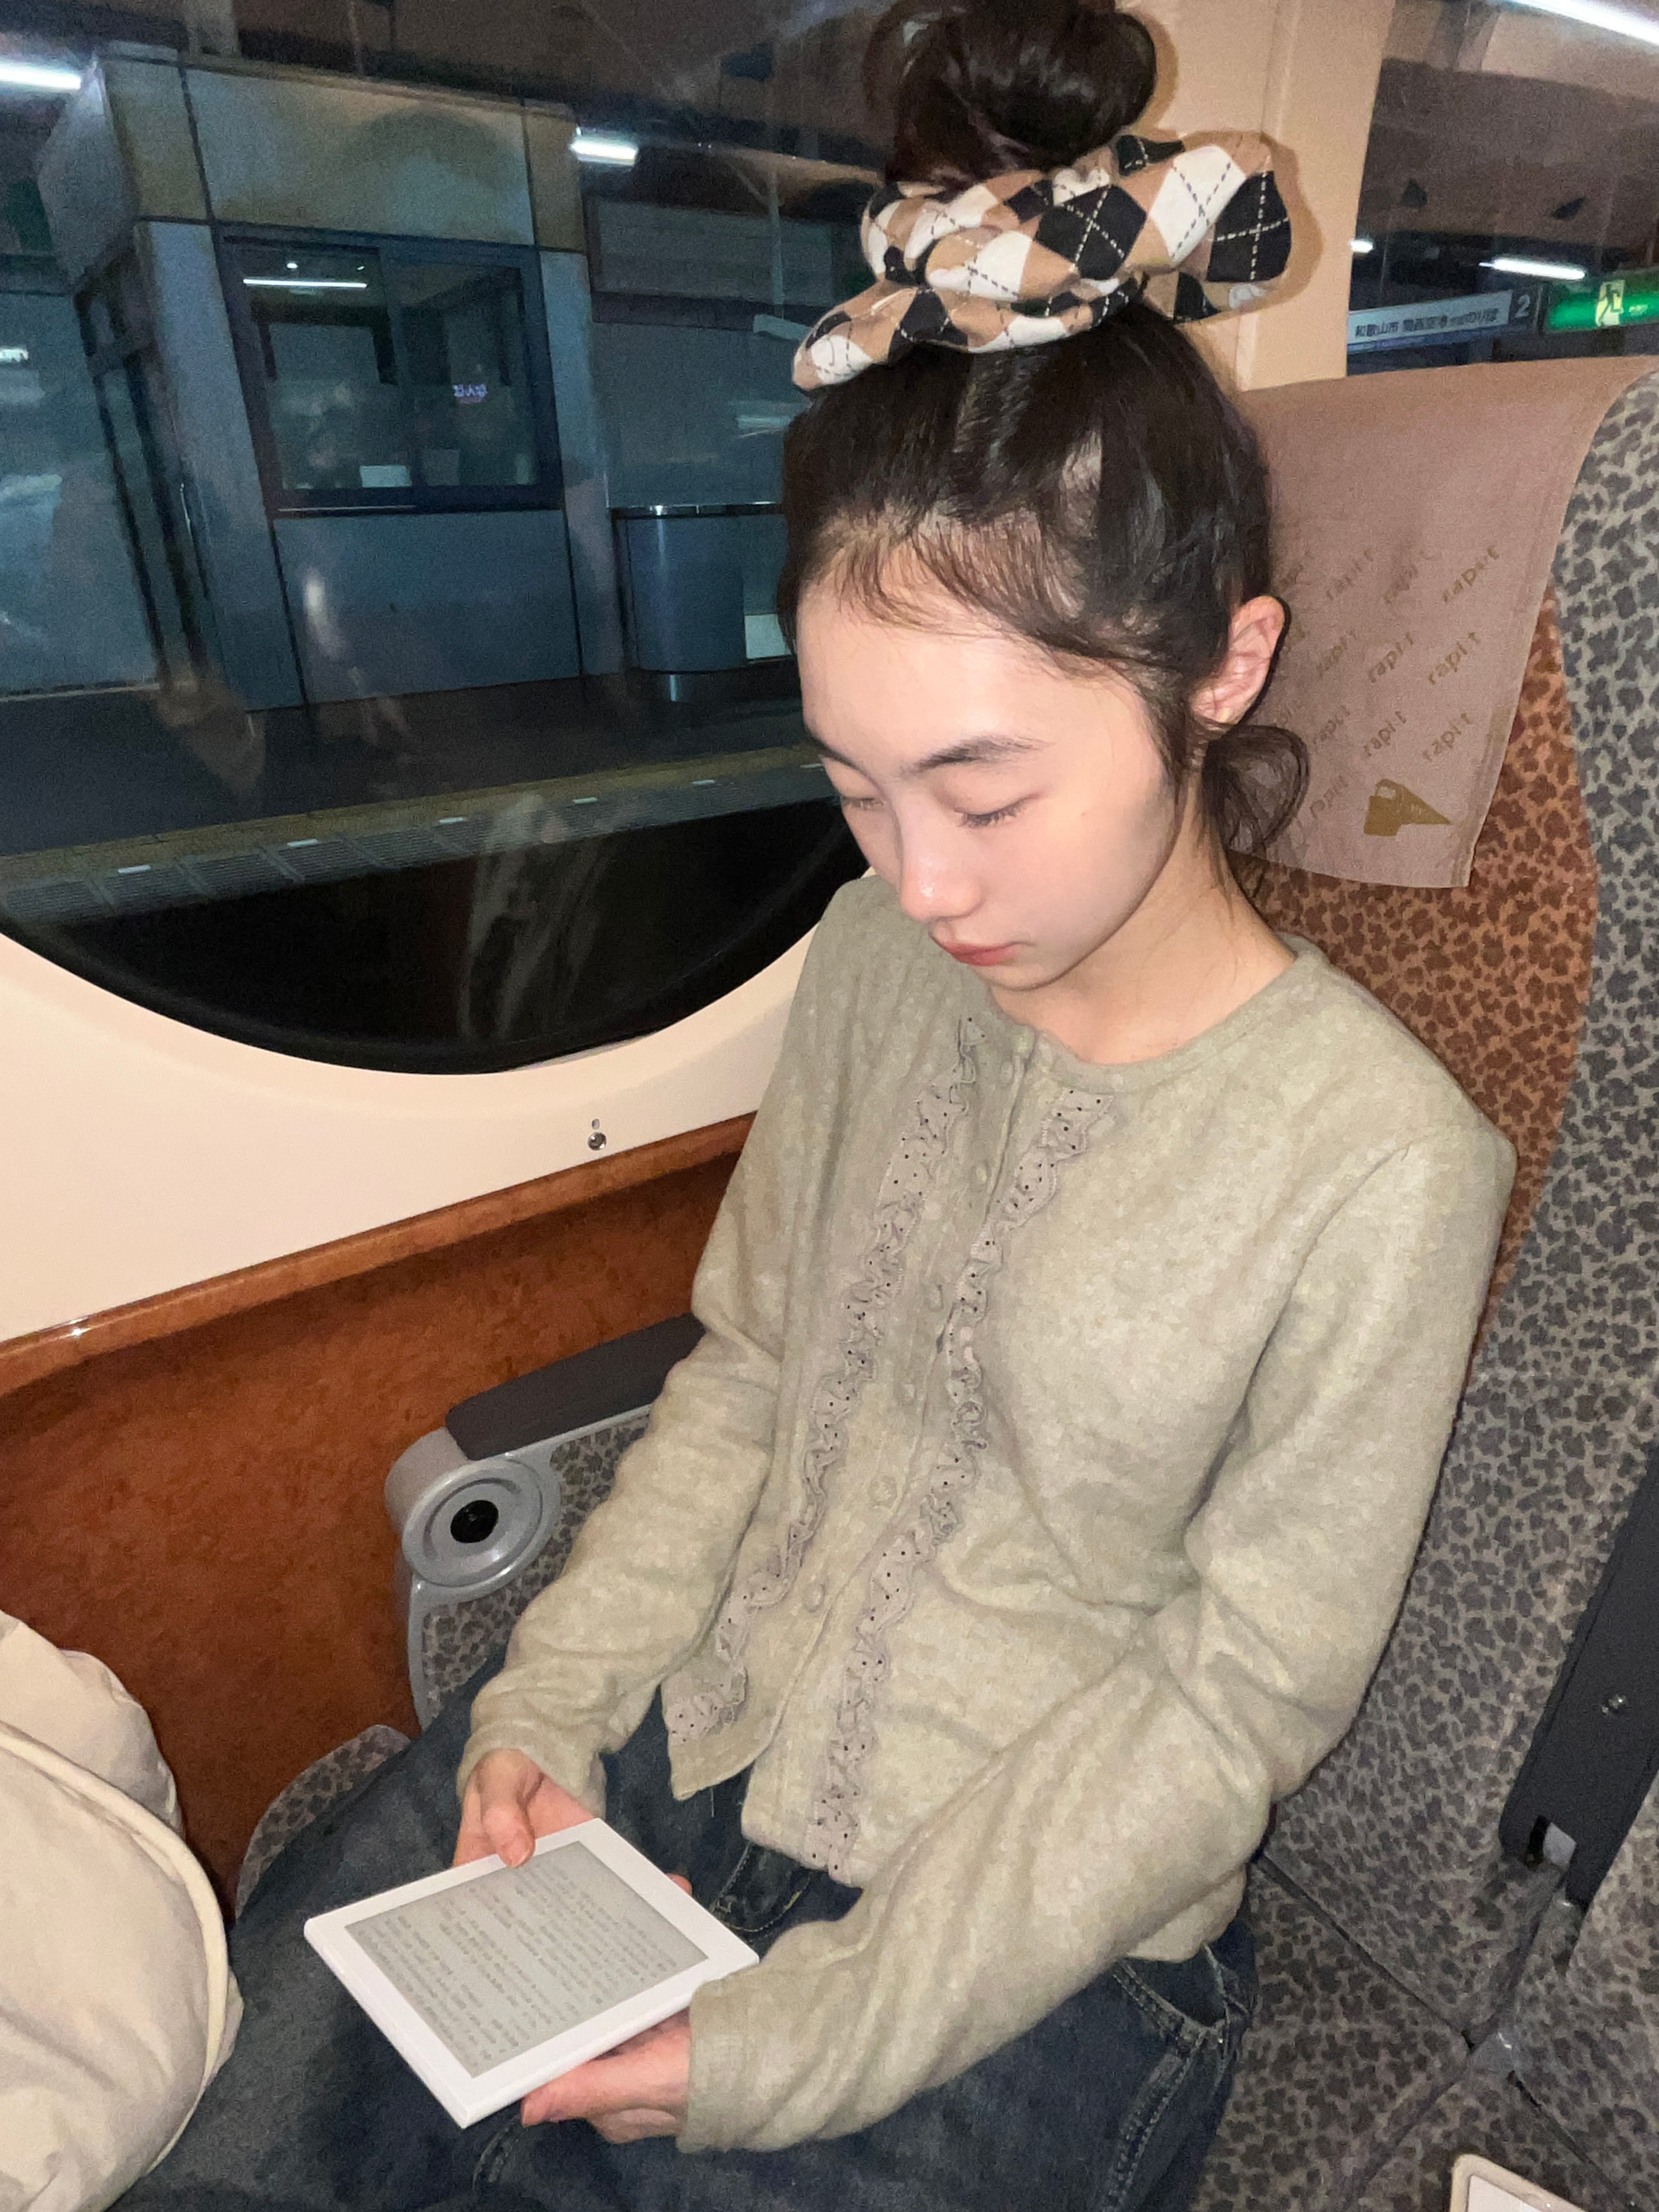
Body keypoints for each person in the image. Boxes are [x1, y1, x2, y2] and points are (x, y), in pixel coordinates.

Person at [123, 4, 1514, 2207]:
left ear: (1219, 670)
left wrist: (801, 2037)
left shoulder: (1382, 1168)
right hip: (692, 1748)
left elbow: (1232, 1697)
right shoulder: (877, 961)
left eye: (985, 789)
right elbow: (757, 1372)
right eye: (857, 790)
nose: (918, 882)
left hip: (1035, 1943)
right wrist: (552, 1706)